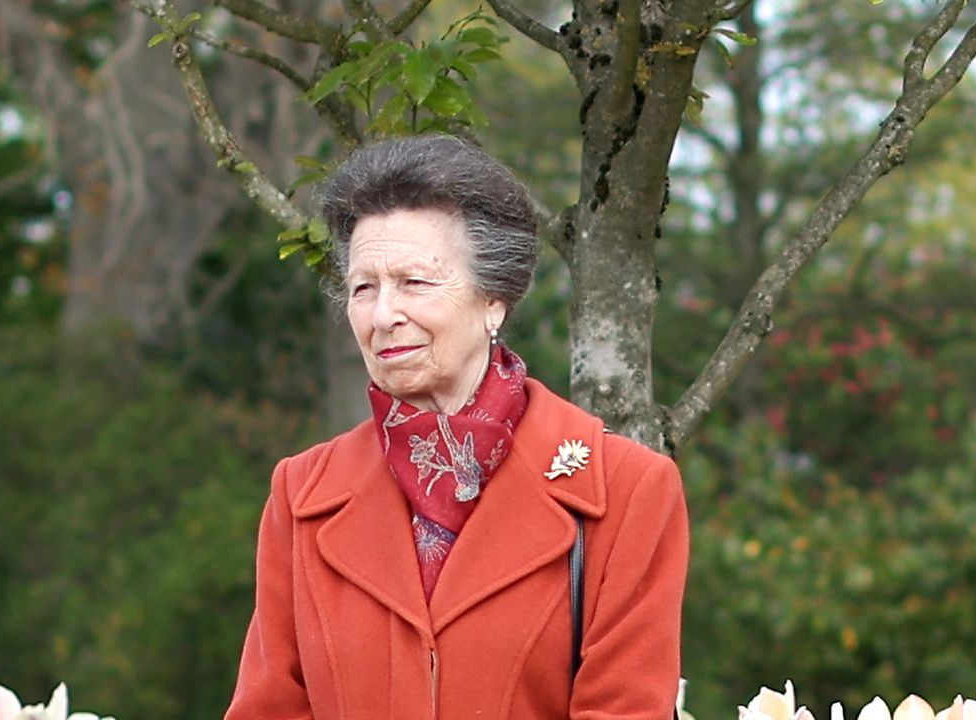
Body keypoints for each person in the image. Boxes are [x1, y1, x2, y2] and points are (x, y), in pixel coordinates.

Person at [223, 134, 689, 720]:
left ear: (494, 298)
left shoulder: (624, 490)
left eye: (414, 282)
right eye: (364, 287)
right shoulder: (302, 494)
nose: (385, 315)